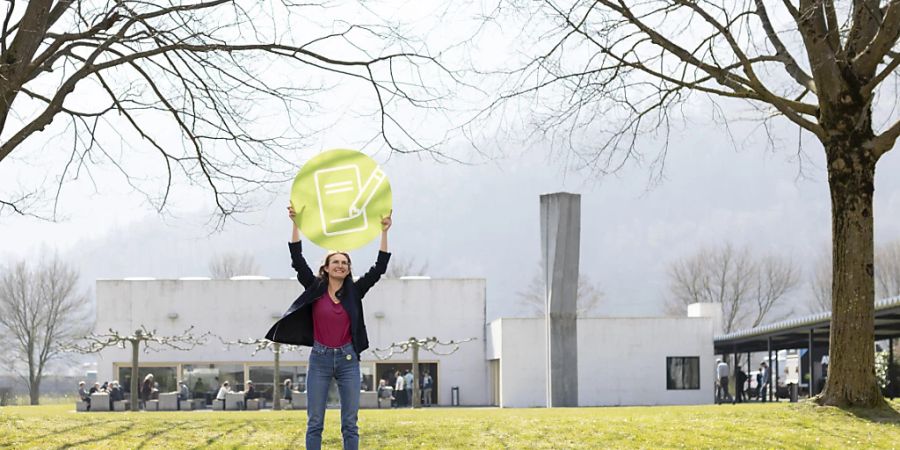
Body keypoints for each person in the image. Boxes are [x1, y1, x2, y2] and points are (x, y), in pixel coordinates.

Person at [265, 203, 392, 450]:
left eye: (345, 263)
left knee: (350, 423)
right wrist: (295, 224)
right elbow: (297, 260)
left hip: (348, 360)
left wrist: (384, 232)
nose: (341, 265)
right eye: (335, 261)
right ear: (326, 267)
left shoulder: (355, 292)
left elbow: (379, 269)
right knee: (314, 422)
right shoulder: (315, 287)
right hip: (320, 360)